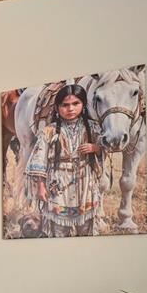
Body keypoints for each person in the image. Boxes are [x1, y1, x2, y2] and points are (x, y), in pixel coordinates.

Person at [25, 83, 109, 237]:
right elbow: (39, 159)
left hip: (85, 185)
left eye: (76, 103)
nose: (71, 109)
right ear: (57, 108)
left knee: (86, 228)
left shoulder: (93, 127)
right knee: (58, 229)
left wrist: (95, 148)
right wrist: (41, 186)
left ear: (83, 105)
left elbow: (106, 149)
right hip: (58, 185)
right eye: (65, 105)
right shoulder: (48, 131)